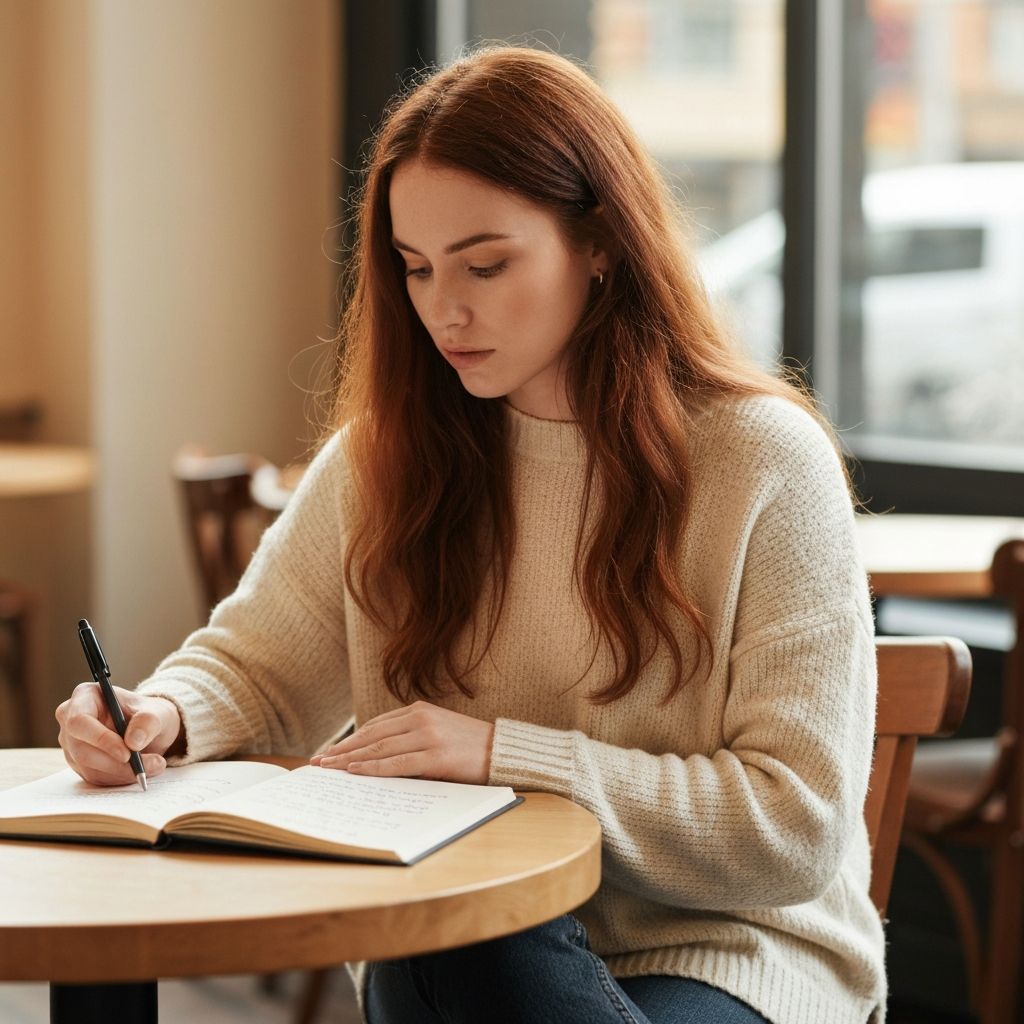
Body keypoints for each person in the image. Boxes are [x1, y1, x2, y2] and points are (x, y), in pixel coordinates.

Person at [55, 45, 885, 1024]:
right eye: (415, 268)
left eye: (486, 265)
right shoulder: (387, 457)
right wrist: (161, 714)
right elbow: (257, 667)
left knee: (457, 917)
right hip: (464, 951)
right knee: (450, 909)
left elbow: (796, 825)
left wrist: (499, 757)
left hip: (728, 952)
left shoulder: (763, 461)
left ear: (600, 242)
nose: (444, 309)